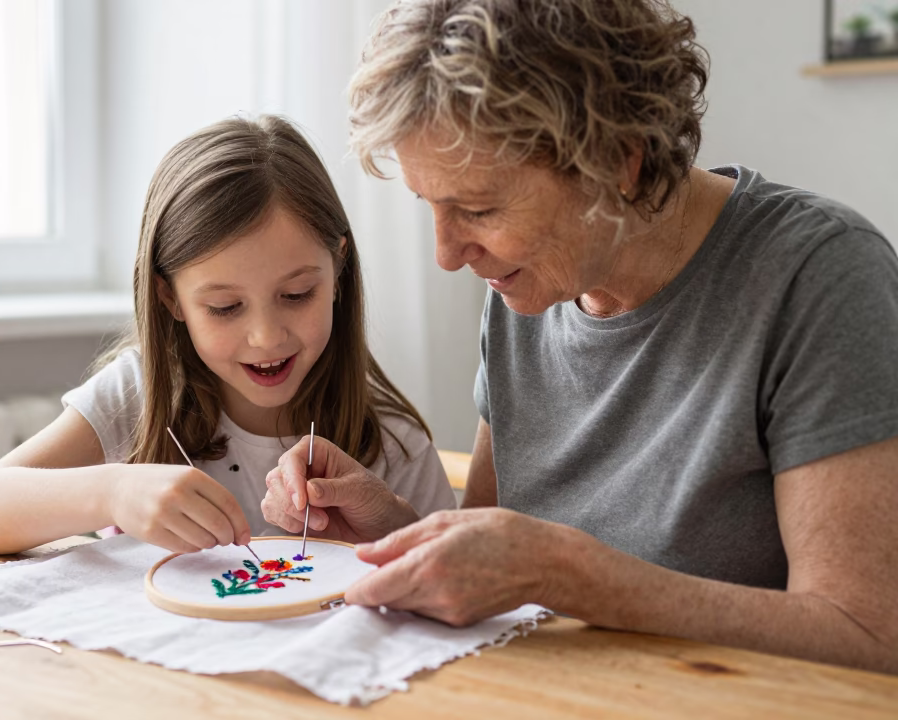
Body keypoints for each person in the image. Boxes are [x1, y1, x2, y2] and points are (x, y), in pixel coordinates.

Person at [261, 0, 898, 673]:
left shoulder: (819, 276)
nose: (448, 254)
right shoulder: (526, 285)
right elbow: (498, 559)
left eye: (478, 208)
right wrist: (390, 529)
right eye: (432, 207)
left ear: (617, 163)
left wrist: (574, 576)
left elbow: (868, 635)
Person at [0, 115, 455, 555]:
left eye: (297, 295)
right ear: (171, 300)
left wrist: (391, 525)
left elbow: (462, 602)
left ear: (339, 269)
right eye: (224, 307)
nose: (265, 337)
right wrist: (113, 490)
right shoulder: (137, 397)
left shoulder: (393, 447)